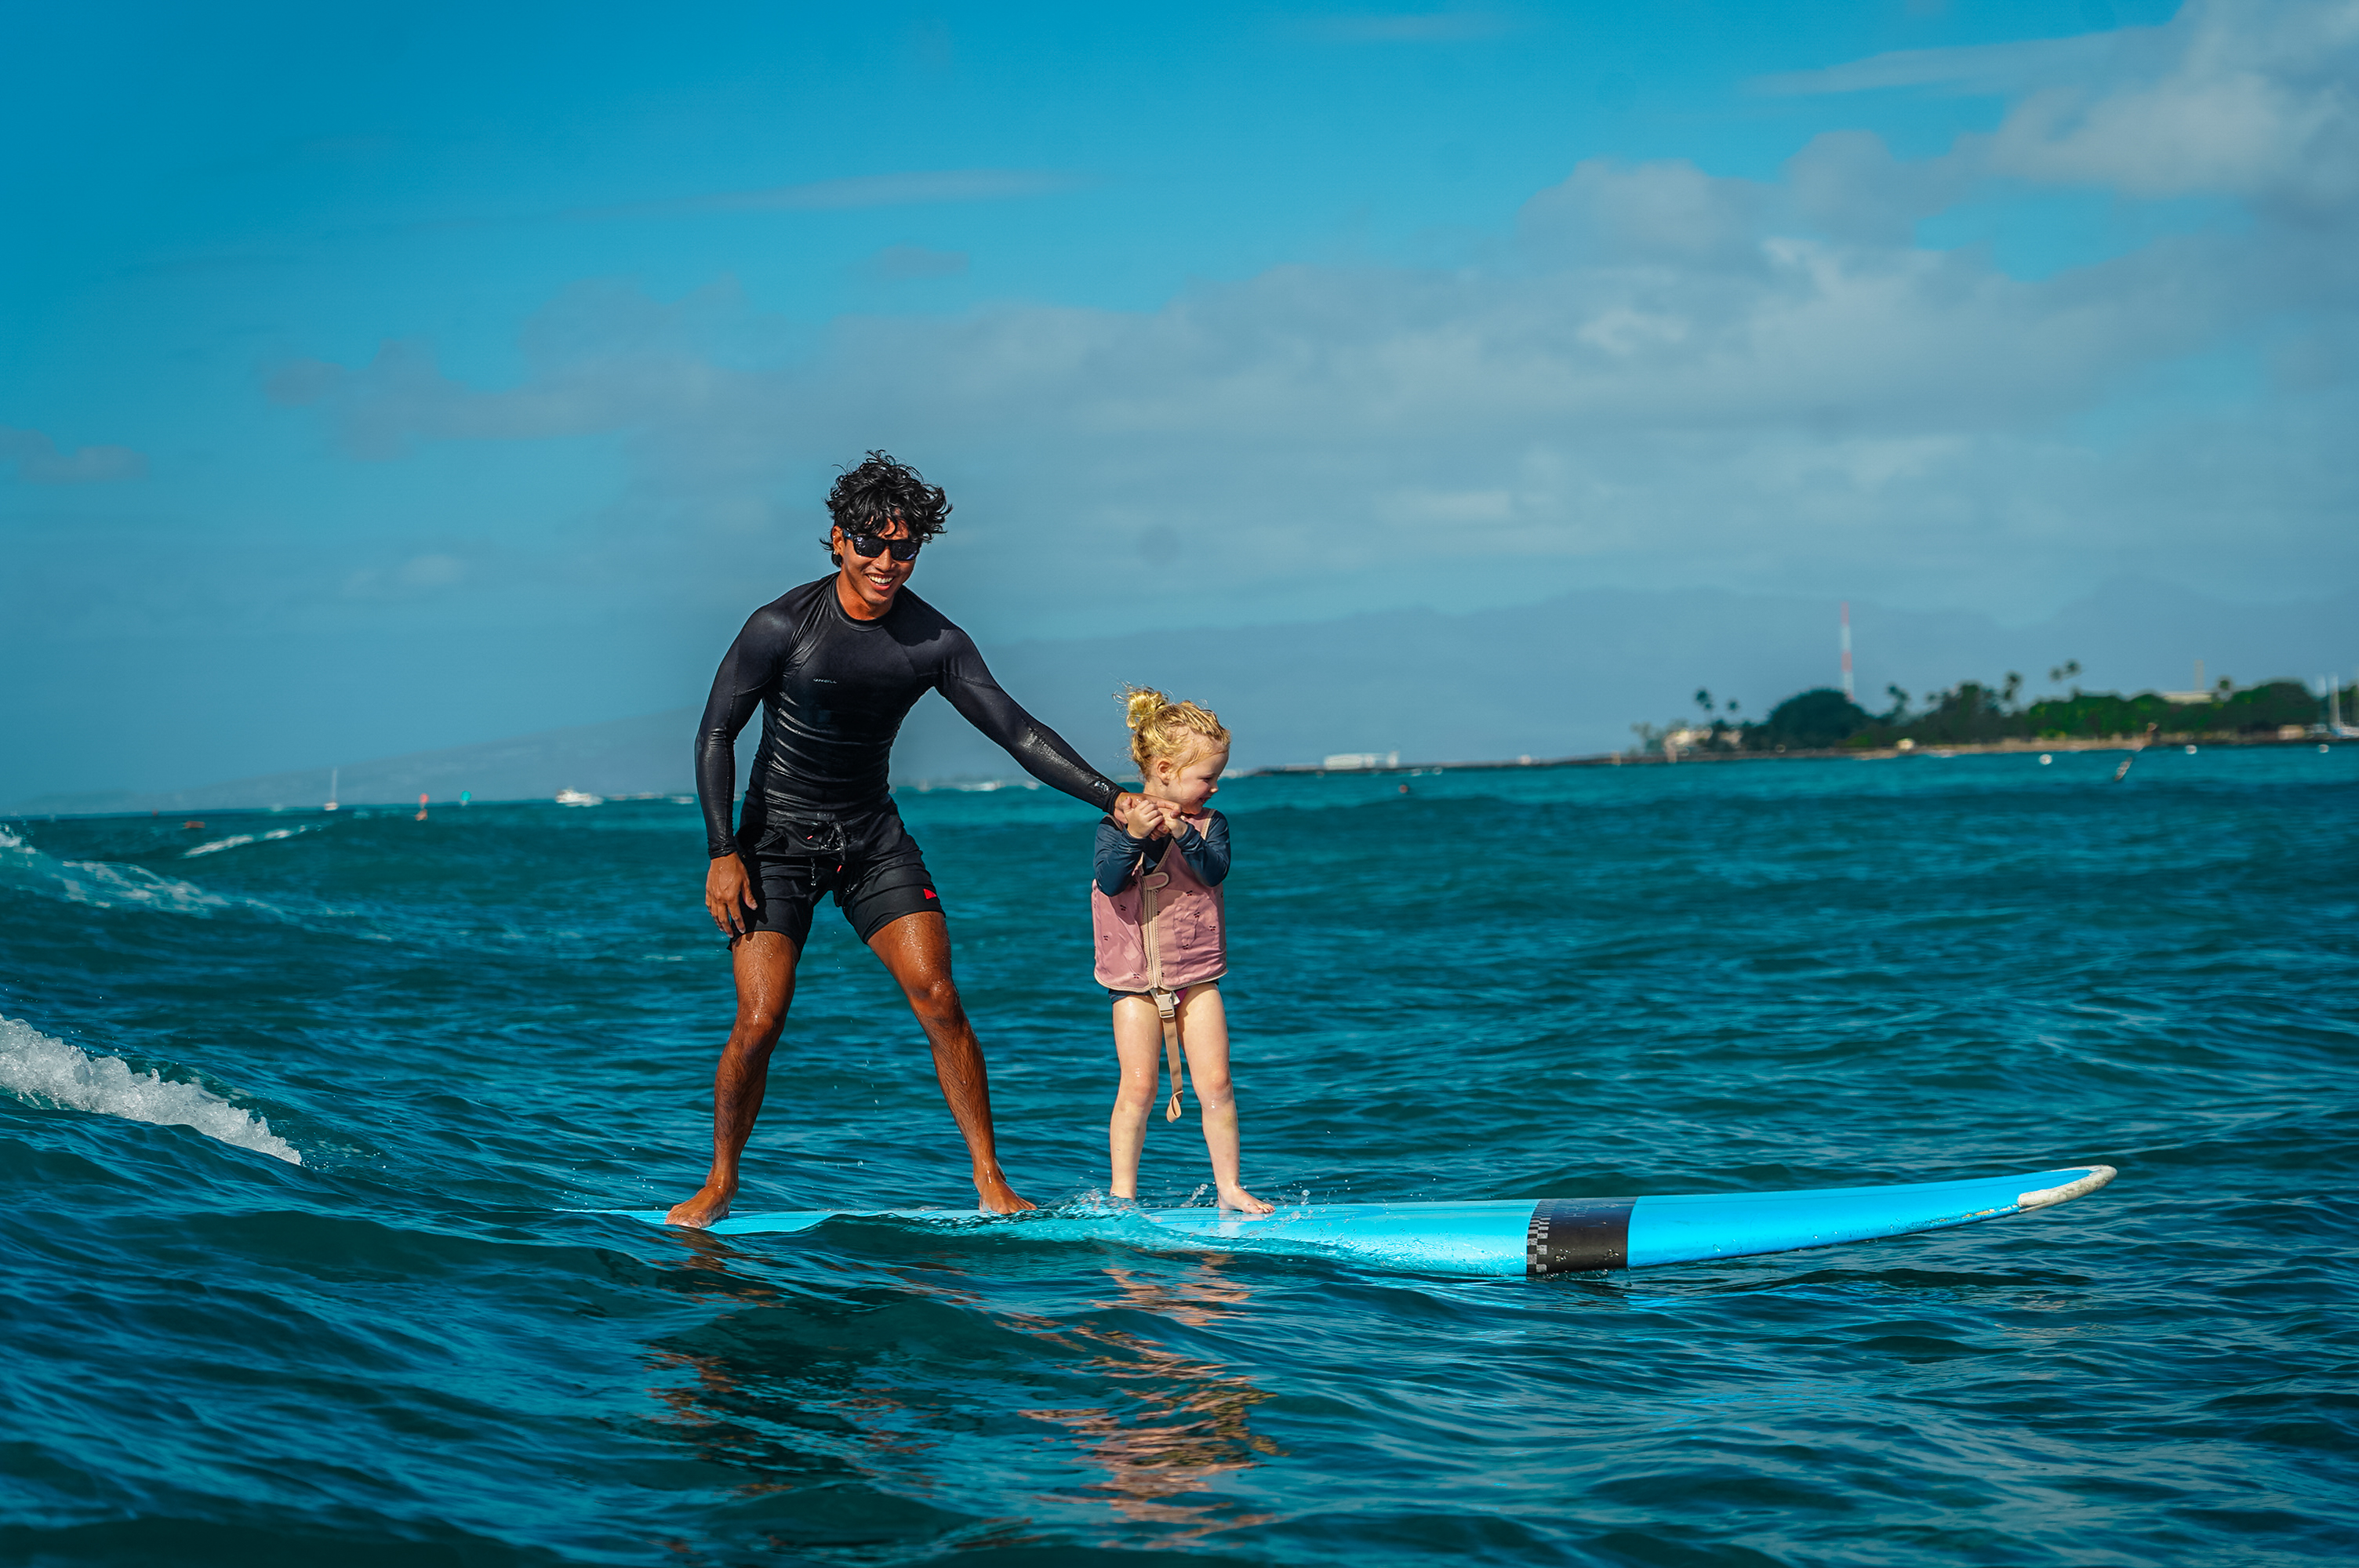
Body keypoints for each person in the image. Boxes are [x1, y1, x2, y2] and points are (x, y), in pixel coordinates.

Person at [670, 452, 1146, 1227]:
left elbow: (1016, 730)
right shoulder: (780, 625)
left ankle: (990, 1179)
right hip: (772, 844)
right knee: (760, 1018)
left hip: (870, 838)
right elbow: (715, 733)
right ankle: (720, 1181)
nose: (887, 562)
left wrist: (1113, 797)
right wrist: (723, 850)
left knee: (938, 995)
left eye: (904, 547)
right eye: (871, 543)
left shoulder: (935, 641)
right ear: (836, 539)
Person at [1091, 688, 1271, 1214]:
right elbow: (1110, 880)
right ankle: (1122, 1197)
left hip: (1197, 977)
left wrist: (1180, 834)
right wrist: (1139, 837)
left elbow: (1215, 869)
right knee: (1140, 1086)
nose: (1215, 786)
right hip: (1133, 986)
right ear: (1165, 769)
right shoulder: (1114, 826)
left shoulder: (1212, 825)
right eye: (1207, 777)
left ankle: (1230, 1188)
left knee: (1216, 1080)